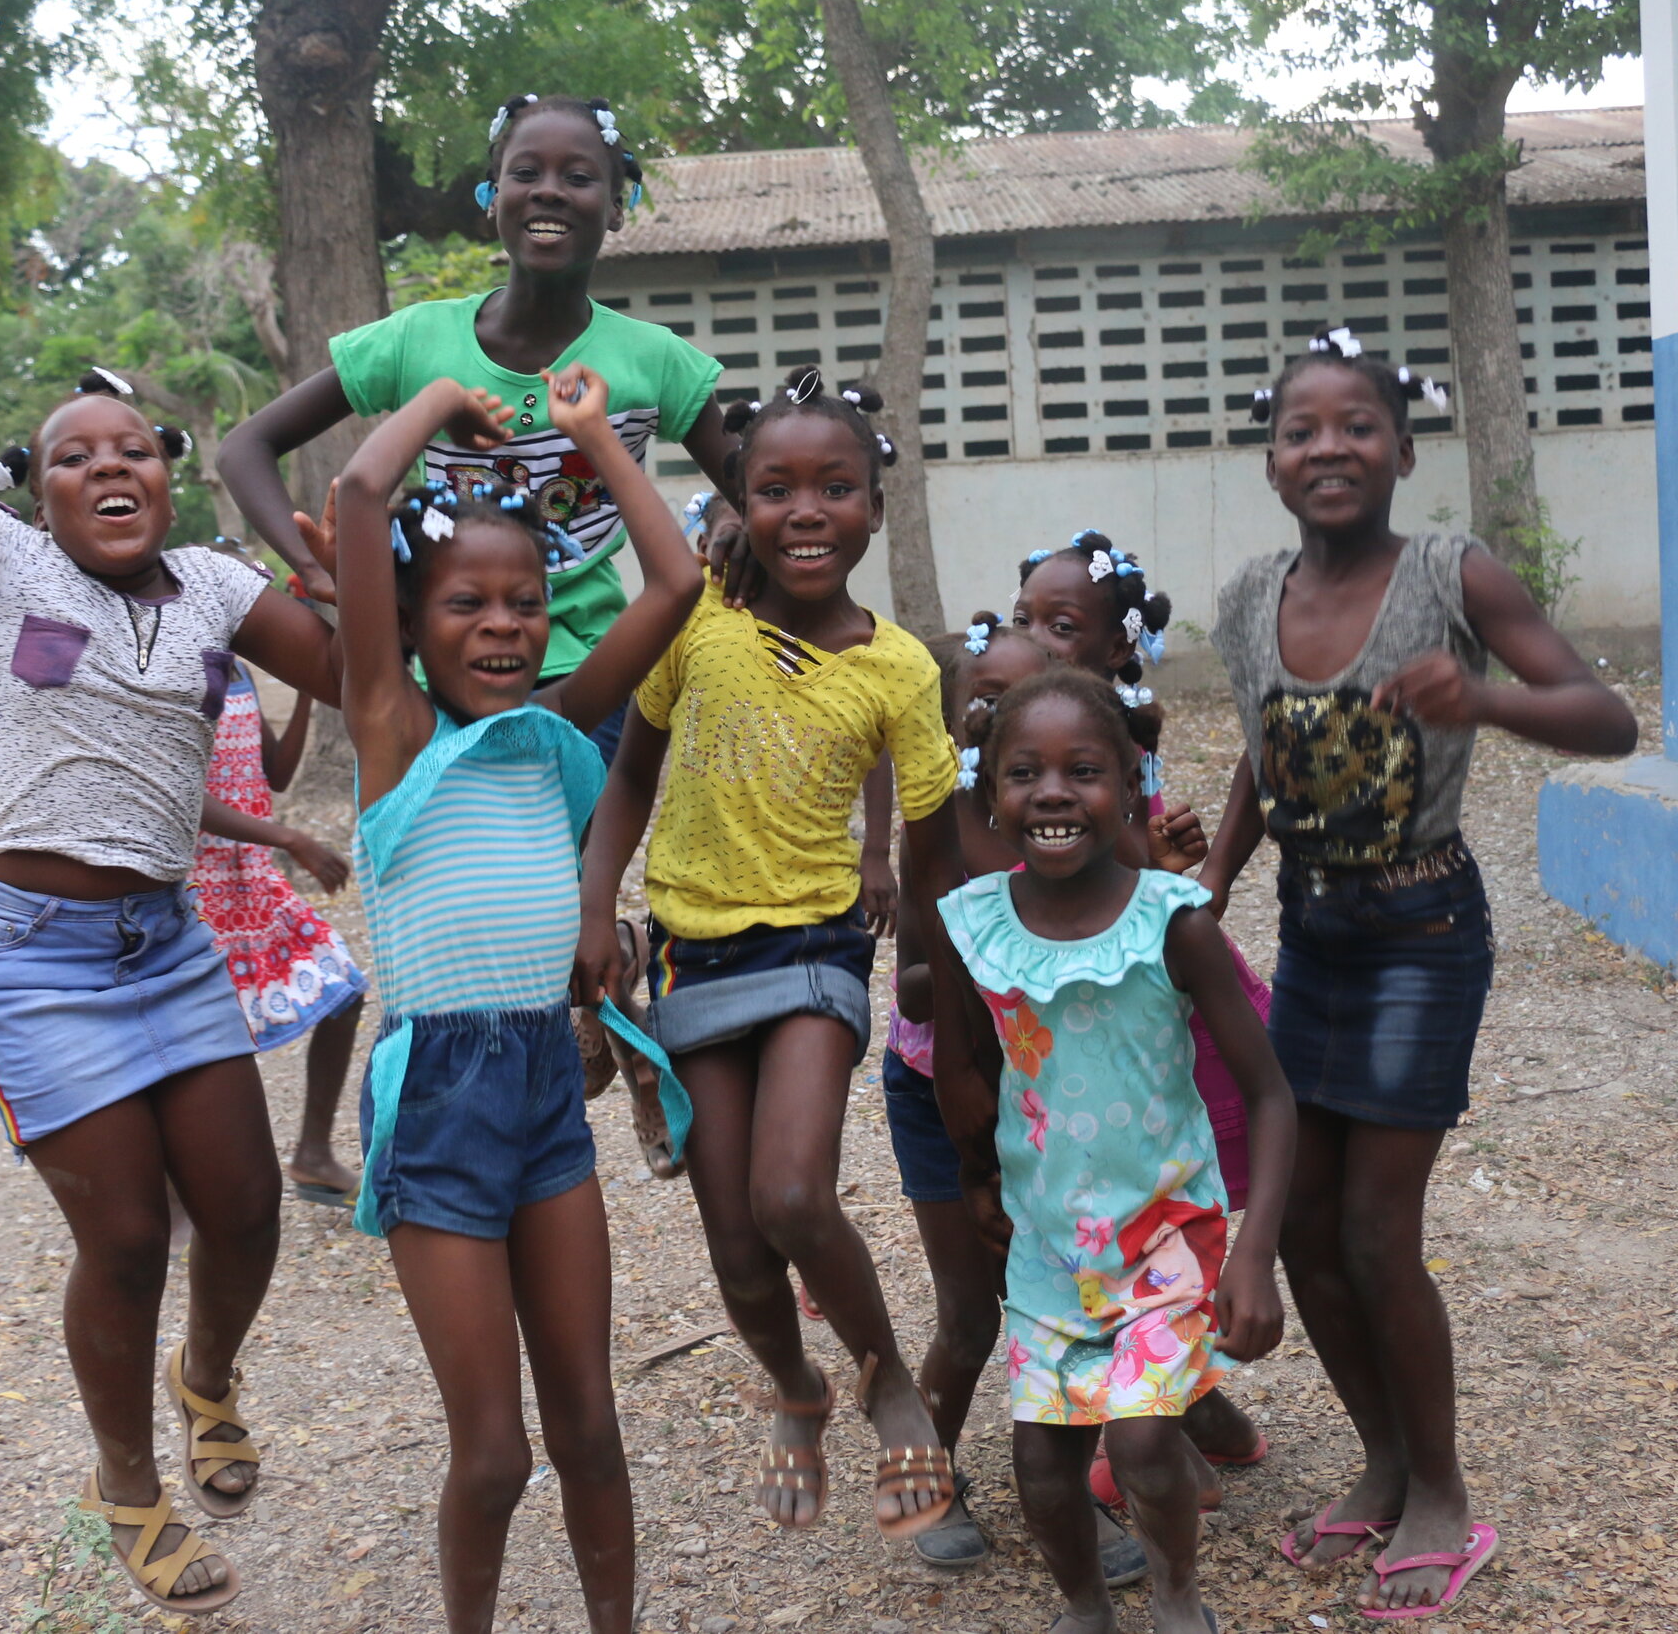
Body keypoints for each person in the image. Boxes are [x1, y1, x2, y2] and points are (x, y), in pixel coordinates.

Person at [0, 225, 345, 1614]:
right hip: (34, 958)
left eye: (136, 448)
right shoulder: (9, 571)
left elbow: (351, 673)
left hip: (166, 943)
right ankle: (128, 1476)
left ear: (173, 474)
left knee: (241, 1213)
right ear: (37, 494)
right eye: (73, 453)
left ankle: (208, 1377)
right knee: (122, 1238)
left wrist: (347, 575)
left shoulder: (224, 589)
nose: (110, 464)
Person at [1207, 327, 1639, 1618]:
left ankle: (1443, 1485)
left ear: (1404, 446)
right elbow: (1261, 750)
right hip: (1312, 928)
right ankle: (1382, 1458)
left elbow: (1608, 718)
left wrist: (1487, 699)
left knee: (1378, 1230)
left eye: (1357, 427)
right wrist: (1215, 873)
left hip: (1422, 933)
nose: (1328, 447)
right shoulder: (1246, 597)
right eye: (1302, 430)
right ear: (1272, 459)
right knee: (1308, 1231)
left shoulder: (1454, 572)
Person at [303, 359, 701, 1634]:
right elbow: (360, 496)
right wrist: (435, 400)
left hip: (541, 1086)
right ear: (411, 626)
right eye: (466, 601)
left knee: (589, 1420)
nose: (502, 624)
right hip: (439, 1102)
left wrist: (592, 434)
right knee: (493, 1452)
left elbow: (679, 583)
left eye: (525, 602)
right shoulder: (393, 731)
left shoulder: (559, 731)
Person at [576, 366, 960, 1539]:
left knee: (790, 1192)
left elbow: (935, 845)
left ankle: (885, 1373)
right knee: (735, 1244)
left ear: (873, 509)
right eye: (776, 486)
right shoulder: (696, 622)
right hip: (691, 953)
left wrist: (935, 986)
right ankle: (795, 1383)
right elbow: (632, 768)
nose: (806, 509)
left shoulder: (899, 668)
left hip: (815, 947)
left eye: (834, 486)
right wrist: (598, 904)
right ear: (737, 499)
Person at [927, 667, 1296, 1634]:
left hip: (1167, 1236)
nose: (1053, 792)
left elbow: (1269, 1091)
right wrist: (976, 1182)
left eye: (1083, 770)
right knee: (1041, 1467)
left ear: (1131, 785)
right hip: (1048, 1246)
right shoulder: (973, 926)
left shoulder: (1173, 922)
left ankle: (1177, 1595)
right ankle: (1087, 1608)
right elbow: (965, 1064)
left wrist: (1254, 1252)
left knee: (1137, 1441)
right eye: (1024, 773)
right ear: (991, 797)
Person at [217, 92, 731, 759]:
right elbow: (243, 448)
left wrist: (726, 517)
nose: (548, 191)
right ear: (491, 197)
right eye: (525, 173)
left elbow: (748, 483)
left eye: (578, 177)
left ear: (616, 206)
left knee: (563, 859)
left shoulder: (655, 360)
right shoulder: (417, 339)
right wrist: (317, 569)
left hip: (591, 675)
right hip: (439, 671)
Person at [1010, 534, 1276, 1495]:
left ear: (1117, 651)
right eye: (1023, 617)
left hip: (1134, 1010)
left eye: (1061, 626)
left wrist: (1169, 867)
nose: (1034, 639)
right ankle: (1147, 1420)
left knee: (1165, 1205)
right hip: (1059, 1034)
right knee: (1081, 1223)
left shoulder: (1114, 748)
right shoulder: (1012, 750)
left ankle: (1166, 1409)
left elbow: (1133, 877)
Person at [881, 616, 1142, 1582]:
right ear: (963, 733)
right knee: (973, 1313)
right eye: (986, 707)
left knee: (1077, 1303)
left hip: (1064, 1099)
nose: (1039, 769)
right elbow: (914, 978)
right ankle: (924, 1469)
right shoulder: (941, 829)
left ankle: (1068, 1498)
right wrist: (985, 961)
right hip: (946, 1096)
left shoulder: (1089, 820)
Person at [187, 627, 369, 1206]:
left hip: (253, 880)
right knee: (202, 1042)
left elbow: (278, 774)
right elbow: (183, 792)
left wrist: (306, 692)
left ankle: (313, 1156)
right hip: (197, 886)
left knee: (344, 991)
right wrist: (290, 837)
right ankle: (182, 1189)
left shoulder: (235, 670)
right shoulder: (176, 673)